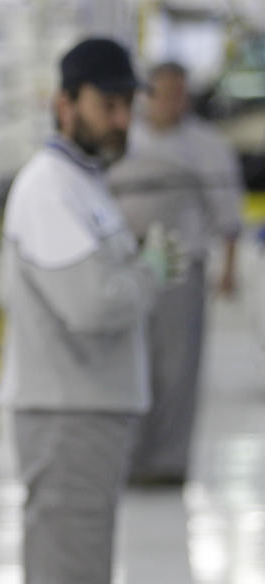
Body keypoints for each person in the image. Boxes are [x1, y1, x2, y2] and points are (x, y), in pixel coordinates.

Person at [0, 38, 168, 584]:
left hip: (87, 416)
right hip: (68, 421)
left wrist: (137, 272)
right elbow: (93, 306)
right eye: (107, 104)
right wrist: (150, 270)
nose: (120, 118)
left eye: (127, 105)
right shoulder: (49, 186)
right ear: (64, 104)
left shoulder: (82, 181)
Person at [108, 61, 245, 485]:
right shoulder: (124, 139)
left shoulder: (205, 145)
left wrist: (228, 268)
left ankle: (167, 462)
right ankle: (129, 459)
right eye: (163, 93)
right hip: (123, 266)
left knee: (177, 368)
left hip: (179, 271)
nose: (172, 102)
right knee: (128, 365)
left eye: (180, 94)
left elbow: (227, 214)